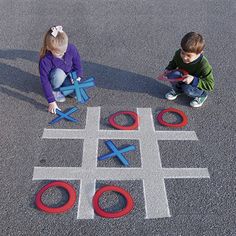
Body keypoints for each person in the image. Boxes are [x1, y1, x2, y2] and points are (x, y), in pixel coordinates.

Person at [160, 32, 214, 107]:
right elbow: (173, 63)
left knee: (187, 89)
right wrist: (168, 69)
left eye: (189, 55)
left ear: (199, 53)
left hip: (193, 84)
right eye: (183, 52)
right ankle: (178, 90)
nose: (184, 57)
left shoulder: (204, 65)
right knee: (171, 75)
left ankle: (202, 95)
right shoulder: (178, 54)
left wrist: (193, 80)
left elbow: (210, 85)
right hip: (182, 77)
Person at [39, 26, 83, 114]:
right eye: (59, 53)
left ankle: (64, 90)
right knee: (58, 73)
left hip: (68, 76)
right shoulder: (45, 60)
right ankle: (55, 90)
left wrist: (78, 76)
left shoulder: (71, 48)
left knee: (76, 93)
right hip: (56, 79)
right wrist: (51, 102)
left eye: (64, 51)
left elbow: (77, 64)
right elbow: (45, 81)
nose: (63, 54)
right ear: (49, 48)